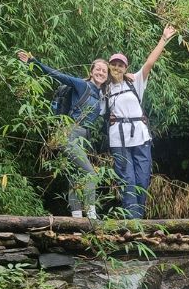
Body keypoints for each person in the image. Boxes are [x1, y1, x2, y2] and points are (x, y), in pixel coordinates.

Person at [17, 51, 107, 219]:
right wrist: (34, 62)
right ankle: (92, 216)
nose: (101, 73)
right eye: (98, 69)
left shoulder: (101, 95)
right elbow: (58, 75)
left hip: (83, 138)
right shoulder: (82, 85)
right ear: (91, 71)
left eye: (104, 71)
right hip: (69, 132)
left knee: (75, 176)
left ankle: (77, 218)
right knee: (91, 174)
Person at [104, 24, 177, 219]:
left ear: (125, 68)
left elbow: (150, 62)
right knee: (127, 179)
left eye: (120, 65)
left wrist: (164, 39)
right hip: (119, 140)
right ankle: (133, 223)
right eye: (114, 64)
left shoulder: (134, 81)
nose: (117, 67)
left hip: (140, 137)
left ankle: (137, 221)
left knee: (142, 178)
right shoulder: (105, 88)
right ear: (109, 66)